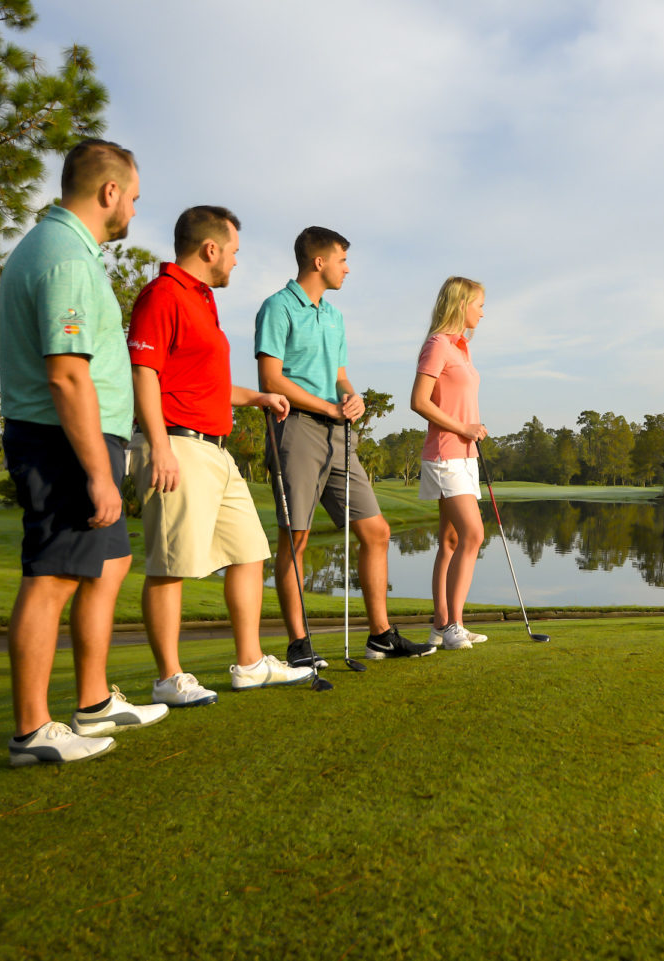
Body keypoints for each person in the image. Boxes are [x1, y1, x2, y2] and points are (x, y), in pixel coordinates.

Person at [0, 139, 168, 766]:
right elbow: (67, 375)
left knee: (110, 562)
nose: (133, 211)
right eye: (135, 199)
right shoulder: (65, 256)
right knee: (53, 577)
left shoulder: (72, 250)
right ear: (110, 193)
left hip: (85, 437)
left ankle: (93, 702)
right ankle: (32, 732)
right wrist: (99, 471)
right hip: (63, 439)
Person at [126, 206, 314, 706]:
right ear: (210, 249)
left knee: (249, 553)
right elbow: (144, 372)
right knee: (171, 564)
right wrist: (159, 446)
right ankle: (169, 677)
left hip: (216, 449)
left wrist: (257, 398)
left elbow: (203, 383)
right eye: (233, 252)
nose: (235, 261)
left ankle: (250, 664)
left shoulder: (203, 301)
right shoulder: (162, 294)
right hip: (178, 446)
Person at [255, 227, 435, 663]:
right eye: (342, 260)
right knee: (295, 539)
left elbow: (339, 376)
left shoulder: (334, 316)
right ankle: (300, 645)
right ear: (319, 262)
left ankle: (381, 636)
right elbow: (271, 379)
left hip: (340, 433)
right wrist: (329, 408)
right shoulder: (278, 308)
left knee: (377, 530)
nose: (347, 268)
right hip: (296, 429)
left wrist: (352, 398)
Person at [410, 277, 491, 651]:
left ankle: (441, 624)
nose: (482, 310)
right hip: (445, 454)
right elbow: (419, 401)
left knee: (451, 540)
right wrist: (463, 427)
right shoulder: (438, 344)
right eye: (478, 303)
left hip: (466, 455)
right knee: (474, 535)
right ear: (461, 305)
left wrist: (472, 430)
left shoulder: (463, 349)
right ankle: (454, 624)